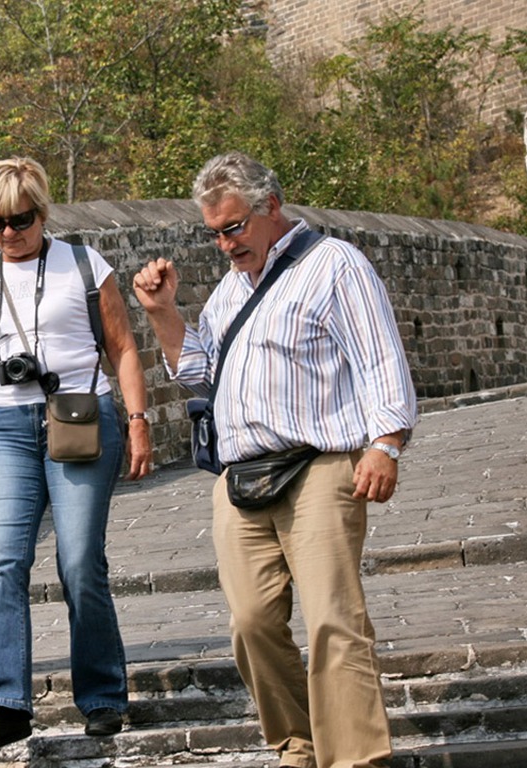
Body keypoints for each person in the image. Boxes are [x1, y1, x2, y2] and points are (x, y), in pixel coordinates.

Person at [132, 152, 416, 768]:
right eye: (213, 232)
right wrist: (163, 314)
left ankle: (357, 757)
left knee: (333, 621)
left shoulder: (333, 265)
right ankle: (299, 742)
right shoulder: (231, 290)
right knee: (251, 624)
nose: (225, 243)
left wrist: (386, 443)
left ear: (271, 208)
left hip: (319, 465)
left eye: (233, 227)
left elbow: (380, 358)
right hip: (242, 477)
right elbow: (199, 374)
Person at [0, 157, 153, 754]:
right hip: (6, 428)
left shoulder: (85, 266)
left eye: (20, 219)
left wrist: (138, 421)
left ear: (42, 212)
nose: (9, 232)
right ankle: (5, 703)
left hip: (79, 419)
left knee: (79, 561)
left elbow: (122, 349)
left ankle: (101, 694)